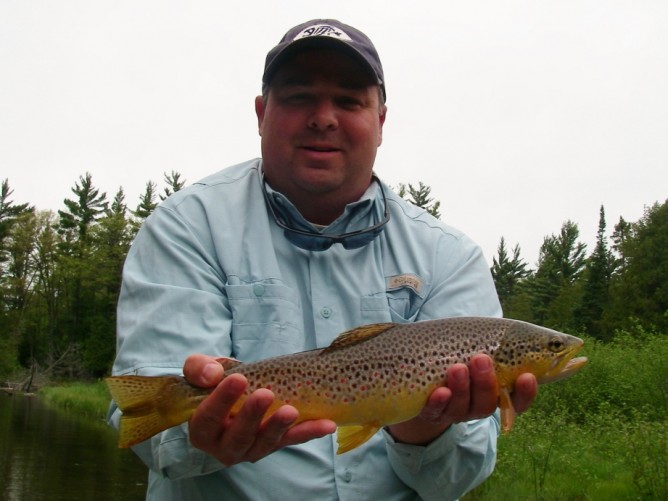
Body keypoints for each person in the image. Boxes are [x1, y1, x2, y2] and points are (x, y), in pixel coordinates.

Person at [109, 19, 537, 500]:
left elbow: (456, 479)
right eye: (298, 96)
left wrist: (424, 425)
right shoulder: (187, 226)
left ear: (381, 121)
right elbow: (150, 428)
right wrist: (197, 436)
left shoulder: (448, 257)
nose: (324, 117)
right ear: (260, 114)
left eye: (350, 100)